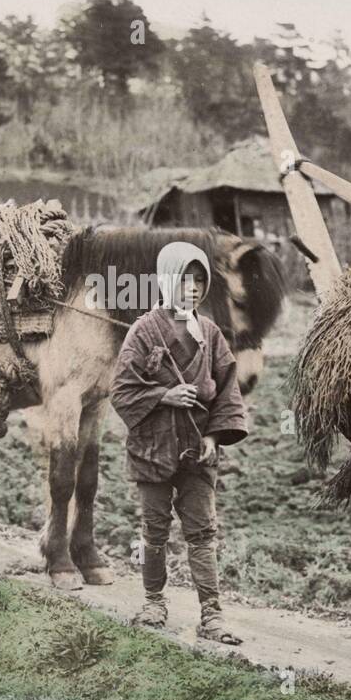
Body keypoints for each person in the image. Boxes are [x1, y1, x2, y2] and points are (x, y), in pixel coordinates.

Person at [110, 242, 248, 644]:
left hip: (197, 451)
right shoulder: (143, 330)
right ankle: (154, 601)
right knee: (154, 531)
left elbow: (227, 391)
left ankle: (212, 615)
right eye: (184, 279)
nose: (191, 288)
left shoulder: (211, 334)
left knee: (203, 532)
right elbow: (121, 391)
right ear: (166, 280)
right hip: (153, 448)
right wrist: (162, 396)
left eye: (199, 280)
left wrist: (213, 435)